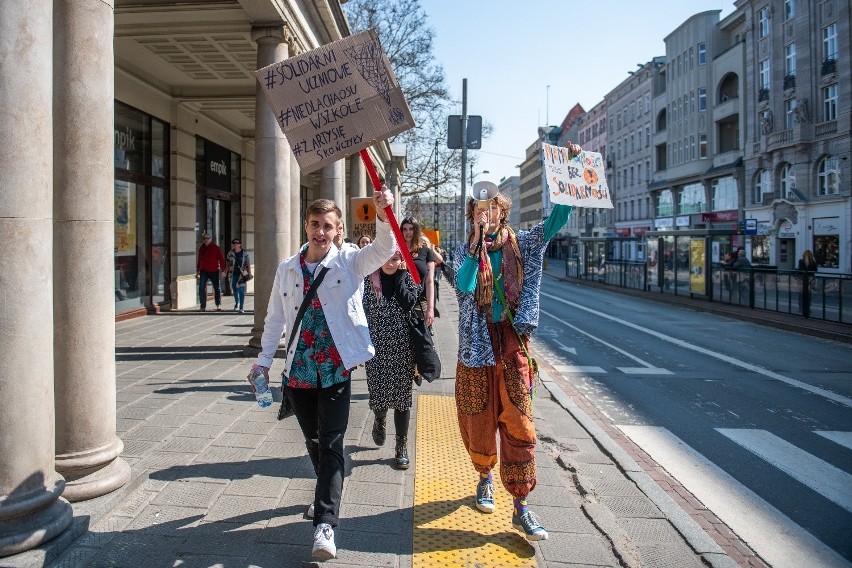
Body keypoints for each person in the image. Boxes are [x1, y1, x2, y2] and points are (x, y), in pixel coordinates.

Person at [251, 191, 395, 561]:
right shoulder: (287, 268)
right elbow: (275, 320)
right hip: (299, 371)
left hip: (334, 370)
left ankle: (325, 525)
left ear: (339, 229)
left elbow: (383, 249)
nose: (320, 232)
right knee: (314, 442)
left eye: (328, 226)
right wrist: (264, 361)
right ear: (306, 225)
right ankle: (326, 490)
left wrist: (384, 213)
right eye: (315, 224)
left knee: (331, 442)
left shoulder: (349, 261)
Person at [452, 147, 580, 543]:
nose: (484, 215)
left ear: (502, 212)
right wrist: (475, 247)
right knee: (478, 421)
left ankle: (521, 507)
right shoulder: (465, 252)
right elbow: (463, 287)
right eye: (477, 211)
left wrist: (570, 170)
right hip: (475, 352)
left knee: (520, 425)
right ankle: (484, 479)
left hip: (510, 349)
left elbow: (558, 219)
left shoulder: (524, 245)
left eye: (490, 209)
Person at [363, 250, 420, 469]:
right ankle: (379, 418)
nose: (390, 262)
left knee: (403, 398)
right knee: (378, 393)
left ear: (401, 260)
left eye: (395, 258)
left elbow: (410, 305)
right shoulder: (369, 281)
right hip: (375, 349)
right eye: (386, 257)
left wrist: (399, 280)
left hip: (402, 348)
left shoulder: (408, 280)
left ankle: (401, 446)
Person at [400, 217, 436, 327]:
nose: (408, 232)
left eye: (411, 229)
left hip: (420, 303)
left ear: (416, 231)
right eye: (405, 229)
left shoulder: (426, 252)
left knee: (422, 340)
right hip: (399, 303)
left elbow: (429, 282)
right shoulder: (396, 251)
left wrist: (430, 309)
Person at [196, 232, 226, 311]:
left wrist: (223, 270)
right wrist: (198, 270)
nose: (206, 240)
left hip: (214, 271)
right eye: (204, 238)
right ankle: (202, 306)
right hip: (204, 271)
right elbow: (199, 260)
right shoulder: (201, 248)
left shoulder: (215, 248)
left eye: (207, 238)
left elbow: (221, 259)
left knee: (217, 288)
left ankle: (218, 304)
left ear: (210, 239)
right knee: (201, 288)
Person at [226, 239, 251, 313]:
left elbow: (248, 263)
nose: (235, 244)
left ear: (240, 244)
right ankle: (237, 302)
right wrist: (225, 271)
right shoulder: (230, 253)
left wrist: (249, 273)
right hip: (233, 274)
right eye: (234, 243)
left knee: (241, 290)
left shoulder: (244, 253)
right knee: (234, 289)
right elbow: (227, 263)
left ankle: (241, 307)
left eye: (237, 243)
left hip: (242, 274)